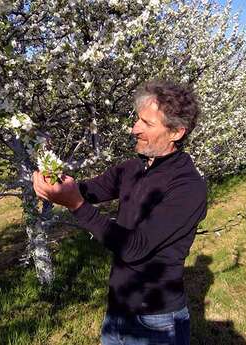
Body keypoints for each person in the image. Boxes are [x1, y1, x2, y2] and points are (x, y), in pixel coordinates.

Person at [33, 80, 207, 345]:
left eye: (147, 124)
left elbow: (135, 247)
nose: (134, 129)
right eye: (137, 120)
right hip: (117, 310)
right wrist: (56, 182)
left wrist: (76, 205)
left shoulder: (187, 187)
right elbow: (88, 190)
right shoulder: (133, 169)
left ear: (176, 132)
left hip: (156, 322)